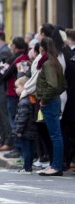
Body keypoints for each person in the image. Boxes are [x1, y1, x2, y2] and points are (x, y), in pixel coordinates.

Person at [36, 37, 67, 176]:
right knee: (55, 135)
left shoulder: (48, 64)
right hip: (54, 100)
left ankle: (56, 166)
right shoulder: (56, 62)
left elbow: (54, 85)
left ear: (42, 48)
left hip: (49, 102)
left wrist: (43, 100)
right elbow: (62, 86)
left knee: (55, 135)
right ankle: (54, 165)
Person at [14, 76, 38, 174]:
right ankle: (28, 167)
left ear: (24, 87)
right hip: (32, 129)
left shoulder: (24, 101)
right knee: (30, 149)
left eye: (17, 87)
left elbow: (22, 118)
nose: (15, 89)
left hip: (26, 130)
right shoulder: (31, 98)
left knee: (26, 150)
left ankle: (27, 168)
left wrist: (19, 130)